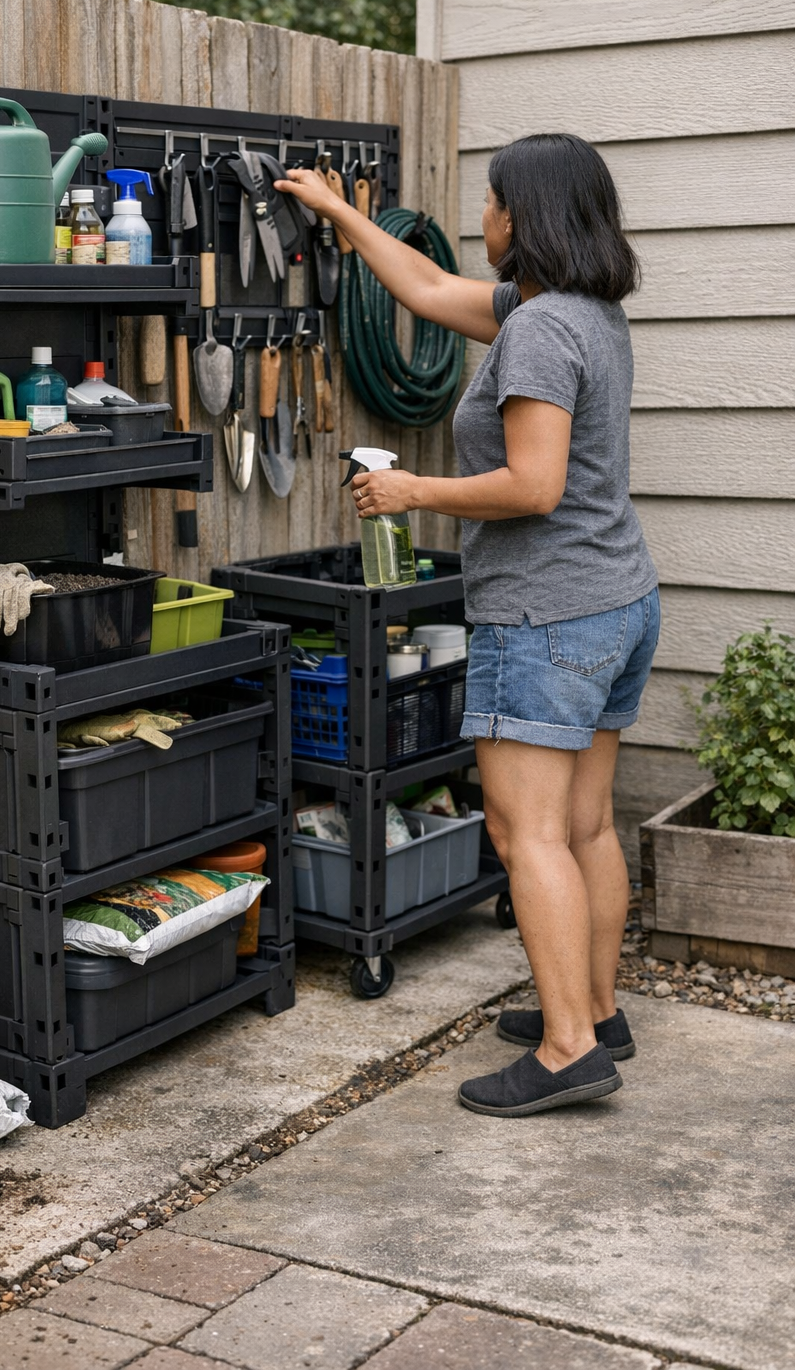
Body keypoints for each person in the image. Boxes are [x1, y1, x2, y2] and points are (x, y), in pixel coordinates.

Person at [276, 134, 659, 1118]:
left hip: (545, 614)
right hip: (617, 600)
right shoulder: (579, 312)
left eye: (487, 203)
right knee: (582, 826)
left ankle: (569, 1047)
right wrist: (339, 211)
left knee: (521, 830)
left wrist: (410, 491)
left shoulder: (536, 331)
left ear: (521, 217)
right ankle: (598, 1010)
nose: (476, 219)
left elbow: (531, 486)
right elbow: (425, 287)